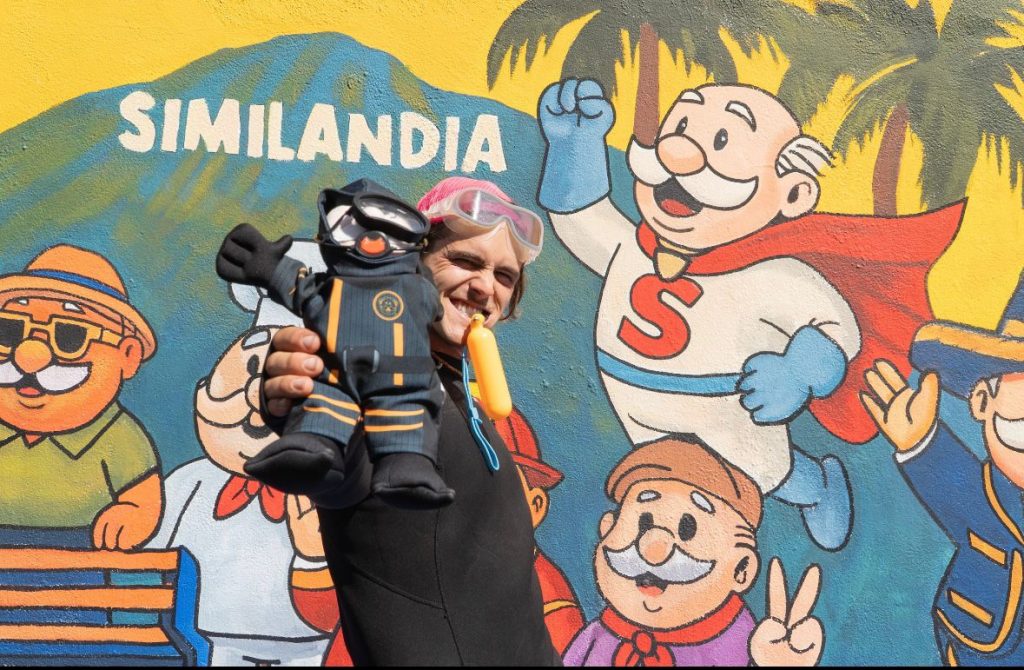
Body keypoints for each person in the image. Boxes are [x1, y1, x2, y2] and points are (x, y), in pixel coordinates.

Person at [536, 78, 963, 551]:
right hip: (635, 405)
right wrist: (573, 147)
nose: (680, 155)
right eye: (682, 125)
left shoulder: (773, 276)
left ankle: (817, 487)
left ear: (793, 195)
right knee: (662, 472)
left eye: (723, 141)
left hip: (734, 414)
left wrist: (800, 372)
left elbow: (835, 326)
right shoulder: (634, 247)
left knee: (762, 473)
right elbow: (580, 220)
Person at [258, 176, 559, 665]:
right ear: (413, 263)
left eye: (505, 276)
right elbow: (344, 464)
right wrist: (293, 398)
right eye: (465, 261)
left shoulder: (457, 391)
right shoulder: (380, 376)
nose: (485, 287)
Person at [861, 270, 1024, 666]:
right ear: (982, 401)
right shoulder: (986, 494)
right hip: (985, 643)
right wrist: (921, 441)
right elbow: (958, 488)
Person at [564, 435, 824, 667]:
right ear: (607, 528)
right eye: (643, 523)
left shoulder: (737, 644)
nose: (653, 550)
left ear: (741, 569)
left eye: (687, 528)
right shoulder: (599, 636)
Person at [0, 245, 161, 549]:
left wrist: (131, 515)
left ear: (127, 355)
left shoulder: (117, 435)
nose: (28, 356)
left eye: (70, 336)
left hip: (83, 557)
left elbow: (141, 499)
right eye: (9, 330)